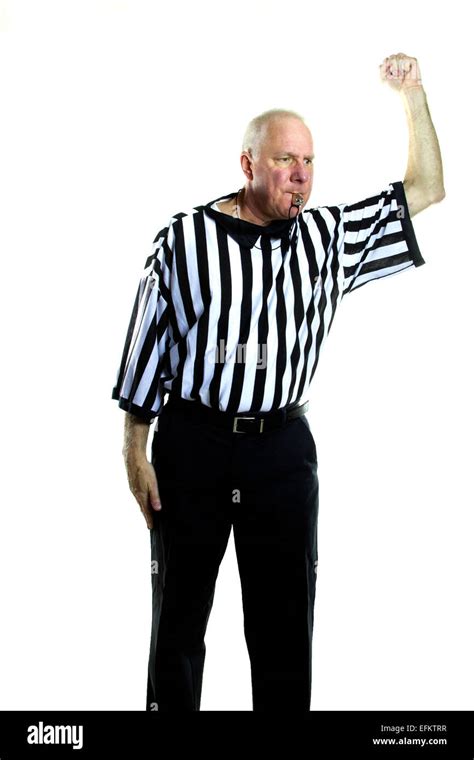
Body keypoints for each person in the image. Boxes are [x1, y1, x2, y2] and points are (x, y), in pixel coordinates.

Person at [111, 53, 445, 711]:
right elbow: (145, 344)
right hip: (194, 442)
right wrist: (133, 448)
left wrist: (413, 95)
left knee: (286, 628)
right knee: (177, 623)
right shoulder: (184, 239)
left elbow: (428, 187)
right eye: (286, 162)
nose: (301, 177)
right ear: (248, 165)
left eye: (310, 163)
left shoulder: (327, 236)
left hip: (282, 449)